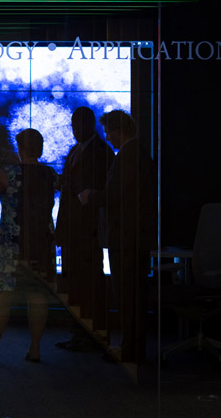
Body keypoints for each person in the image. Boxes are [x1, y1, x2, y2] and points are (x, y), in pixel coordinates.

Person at [80, 110, 155, 363]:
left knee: (128, 297)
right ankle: (131, 348)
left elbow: (116, 195)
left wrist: (91, 196)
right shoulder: (136, 153)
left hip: (127, 238)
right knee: (129, 296)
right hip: (131, 237)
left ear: (118, 131)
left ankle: (130, 350)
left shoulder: (130, 156)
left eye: (109, 132)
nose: (108, 138)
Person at [0, 128, 58, 363]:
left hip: (12, 244)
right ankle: (35, 349)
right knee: (37, 295)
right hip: (41, 243)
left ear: (19, 149)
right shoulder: (50, 174)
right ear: (40, 148)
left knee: (2, 295)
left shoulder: (7, 174)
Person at [55, 106, 114, 349]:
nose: (76, 130)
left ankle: (92, 333)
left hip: (87, 229)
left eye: (80, 125)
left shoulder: (102, 152)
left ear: (91, 125)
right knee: (74, 283)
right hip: (72, 229)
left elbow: (102, 192)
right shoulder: (75, 150)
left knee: (89, 283)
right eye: (73, 126)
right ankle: (79, 333)